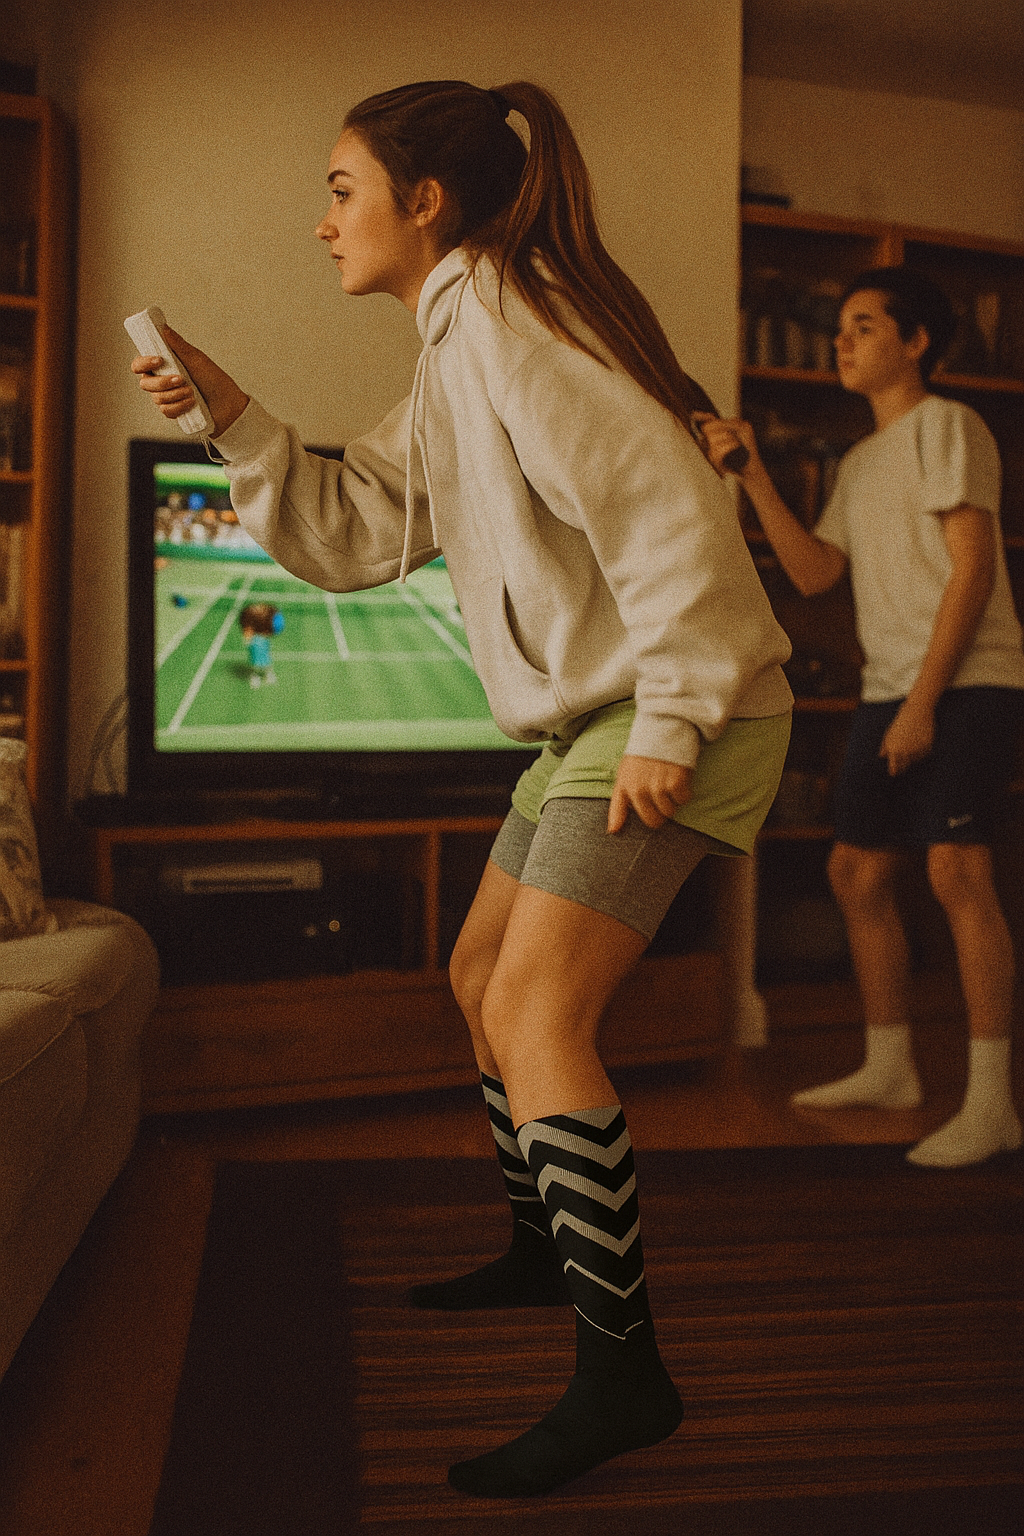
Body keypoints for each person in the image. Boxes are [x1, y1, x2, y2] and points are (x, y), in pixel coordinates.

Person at [131, 79, 792, 1498]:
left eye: (341, 189)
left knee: (538, 1008)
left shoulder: (511, 319)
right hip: (595, 717)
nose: (323, 223)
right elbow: (364, 522)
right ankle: (538, 1245)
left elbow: (669, 502)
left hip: (676, 705)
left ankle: (625, 1376)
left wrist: (677, 715)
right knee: (474, 967)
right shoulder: (458, 338)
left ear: (424, 202)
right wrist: (229, 412)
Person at [700, 266, 1024, 1170]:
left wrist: (922, 705)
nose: (841, 341)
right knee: (855, 872)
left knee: (958, 872)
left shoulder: (949, 428)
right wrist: (754, 475)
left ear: (917, 341)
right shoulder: (861, 460)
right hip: (894, 687)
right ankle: (892, 1069)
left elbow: (973, 573)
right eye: (839, 327)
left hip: (970, 683)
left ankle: (993, 1104)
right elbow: (813, 573)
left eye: (865, 326)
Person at [238, 600, 280, 687]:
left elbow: (267, 641)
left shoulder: (264, 635)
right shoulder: (253, 636)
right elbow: (247, 640)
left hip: (264, 654)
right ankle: (255, 677)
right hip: (255, 654)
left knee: (267, 665)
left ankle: (268, 675)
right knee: (255, 666)